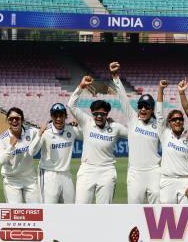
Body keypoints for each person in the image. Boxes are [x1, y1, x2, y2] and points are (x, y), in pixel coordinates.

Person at [68, 75, 127, 204]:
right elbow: (71, 106)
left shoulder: (115, 127)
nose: (99, 116)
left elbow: (133, 133)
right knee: (81, 208)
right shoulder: (86, 122)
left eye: (102, 114)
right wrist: (81, 86)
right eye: (96, 114)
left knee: (104, 211)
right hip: (87, 169)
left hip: (107, 171)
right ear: (92, 113)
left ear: (107, 114)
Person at [110, 62, 162, 204]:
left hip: (154, 171)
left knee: (156, 211)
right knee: (133, 211)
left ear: (152, 109)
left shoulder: (159, 125)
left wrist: (187, 132)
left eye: (147, 107)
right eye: (140, 106)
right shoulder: (133, 119)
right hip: (135, 173)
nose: (143, 109)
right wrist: (115, 77)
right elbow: (123, 99)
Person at [28, 103, 81, 204]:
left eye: (61, 115)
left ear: (65, 116)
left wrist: (79, 124)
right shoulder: (46, 132)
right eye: (55, 116)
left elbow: (87, 135)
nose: (58, 118)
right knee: (49, 209)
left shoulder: (71, 130)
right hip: (49, 174)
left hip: (66, 174)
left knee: (70, 209)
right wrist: (39, 134)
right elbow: (31, 152)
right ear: (51, 116)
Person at [156, 80, 188, 204]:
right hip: (167, 181)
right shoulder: (164, 134)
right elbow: (159, 114)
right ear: (169, 122)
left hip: (185, 181)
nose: (177, 121)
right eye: (174, 119)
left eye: (180, 119)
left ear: (183, 121)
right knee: (167, 219)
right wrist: (160, 90)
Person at [0, 107, 40, 203]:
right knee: (15, 212)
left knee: (36, 212)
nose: (14, 121)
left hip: (30, 179)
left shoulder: (31, 132)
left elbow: (44, 130)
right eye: (11, 119)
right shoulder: (2, 138)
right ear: (8, 121)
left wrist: (72, 124)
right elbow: (1, 160)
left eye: (17, 118)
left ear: (22, 120)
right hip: (12, 180)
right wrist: (11, 146)